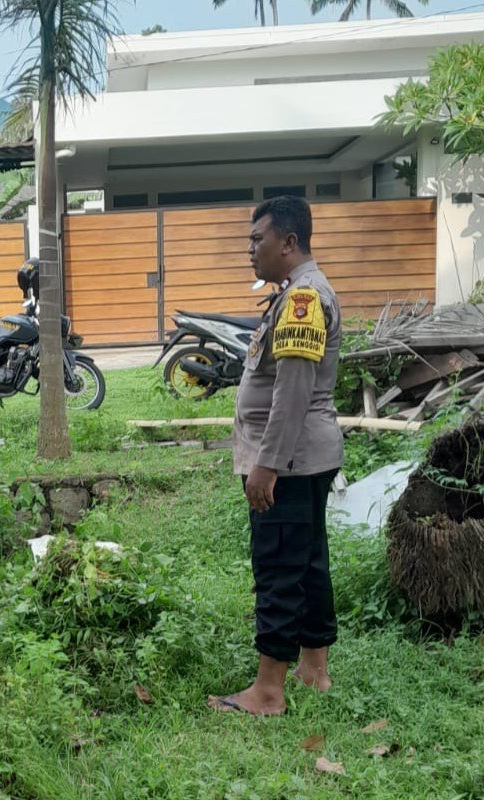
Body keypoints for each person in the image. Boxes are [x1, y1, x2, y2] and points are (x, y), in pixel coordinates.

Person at [208, 196, 344, 717]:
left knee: (280, 565)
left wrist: (267, 464)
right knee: (308, 561)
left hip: (289, 459)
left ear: (288, 243)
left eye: (257, 239)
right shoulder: (298, 293)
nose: (250, 250)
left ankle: (268, 692)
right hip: (305, 455)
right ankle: (314, 670)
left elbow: (292, 392)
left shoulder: (304, 300)